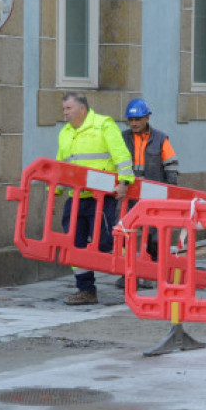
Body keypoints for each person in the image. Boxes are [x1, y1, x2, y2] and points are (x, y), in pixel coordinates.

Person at [57, 92, 135, 305]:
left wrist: (125, 182)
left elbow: (122, 155)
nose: (65, 113)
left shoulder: (103, 125)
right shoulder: (65, 132)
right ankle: (86, 290)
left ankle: (133, 268)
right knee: (75, 245)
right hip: (76, 197)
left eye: (68, 108)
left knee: (104, 241)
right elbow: (61, 164)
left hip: (100, 197)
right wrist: (54, 189)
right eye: (64, 109)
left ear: (82, 109)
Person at [114, 98, 180, 289]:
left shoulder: (160, 139)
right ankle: (126, 272)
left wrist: (171, 190)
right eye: (131, 120)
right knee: (125, 233)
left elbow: (171, 165)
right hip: (129, 195)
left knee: (154, 234)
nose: (134, 123)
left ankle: (153, 271)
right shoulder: (123, 138)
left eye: (138, 119)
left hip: (154, 195)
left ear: (147, 118)